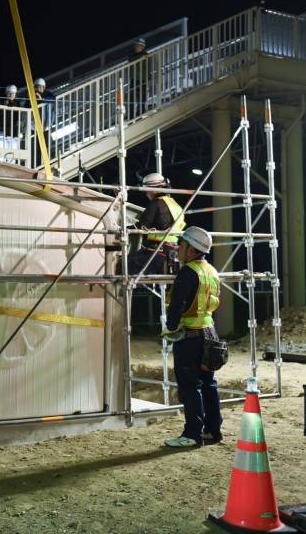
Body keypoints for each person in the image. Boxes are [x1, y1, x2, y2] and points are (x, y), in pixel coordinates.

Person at [162, 226, 223, 448]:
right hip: (210, 333)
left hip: (190, 337)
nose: (178, 248)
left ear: (191, 249)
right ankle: (212, 430)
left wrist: (171, 327)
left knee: (190, 386)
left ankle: (192, 434)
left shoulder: (188, 272)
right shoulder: (211, 271)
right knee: (208, 383)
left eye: (181, 244)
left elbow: (177, 305)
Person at [127, 172, 185, 275]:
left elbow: (143, 226)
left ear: (153, 189)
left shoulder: (156, 203)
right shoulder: (174, 204)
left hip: (156, 252)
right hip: (172, 252)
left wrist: (125, 229)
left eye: (147, 191)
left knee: (126, 263)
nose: (146, 194)